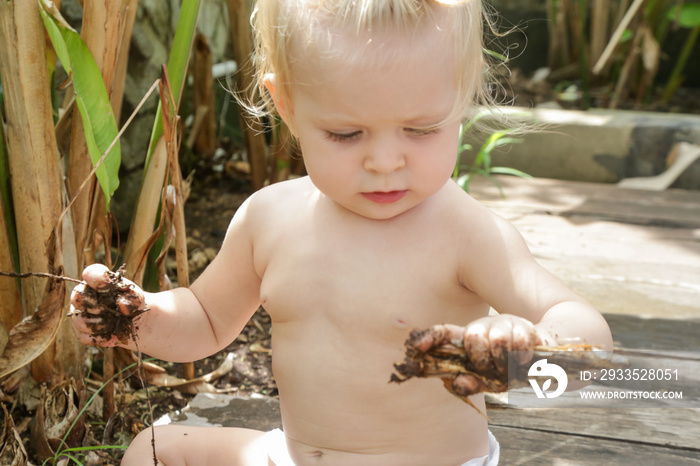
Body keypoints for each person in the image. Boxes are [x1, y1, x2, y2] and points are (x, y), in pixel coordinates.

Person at [70, 0, 613, 464]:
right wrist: (136, 318)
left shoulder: (464, 234)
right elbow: (206, 321)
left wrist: (535, 349)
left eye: (420, 129)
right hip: (295, 455)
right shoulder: (270, 219)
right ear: (286, 105)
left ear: (461, 100)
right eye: (346, 134)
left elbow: (587, 338)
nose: (384, 161)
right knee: (156, 449)